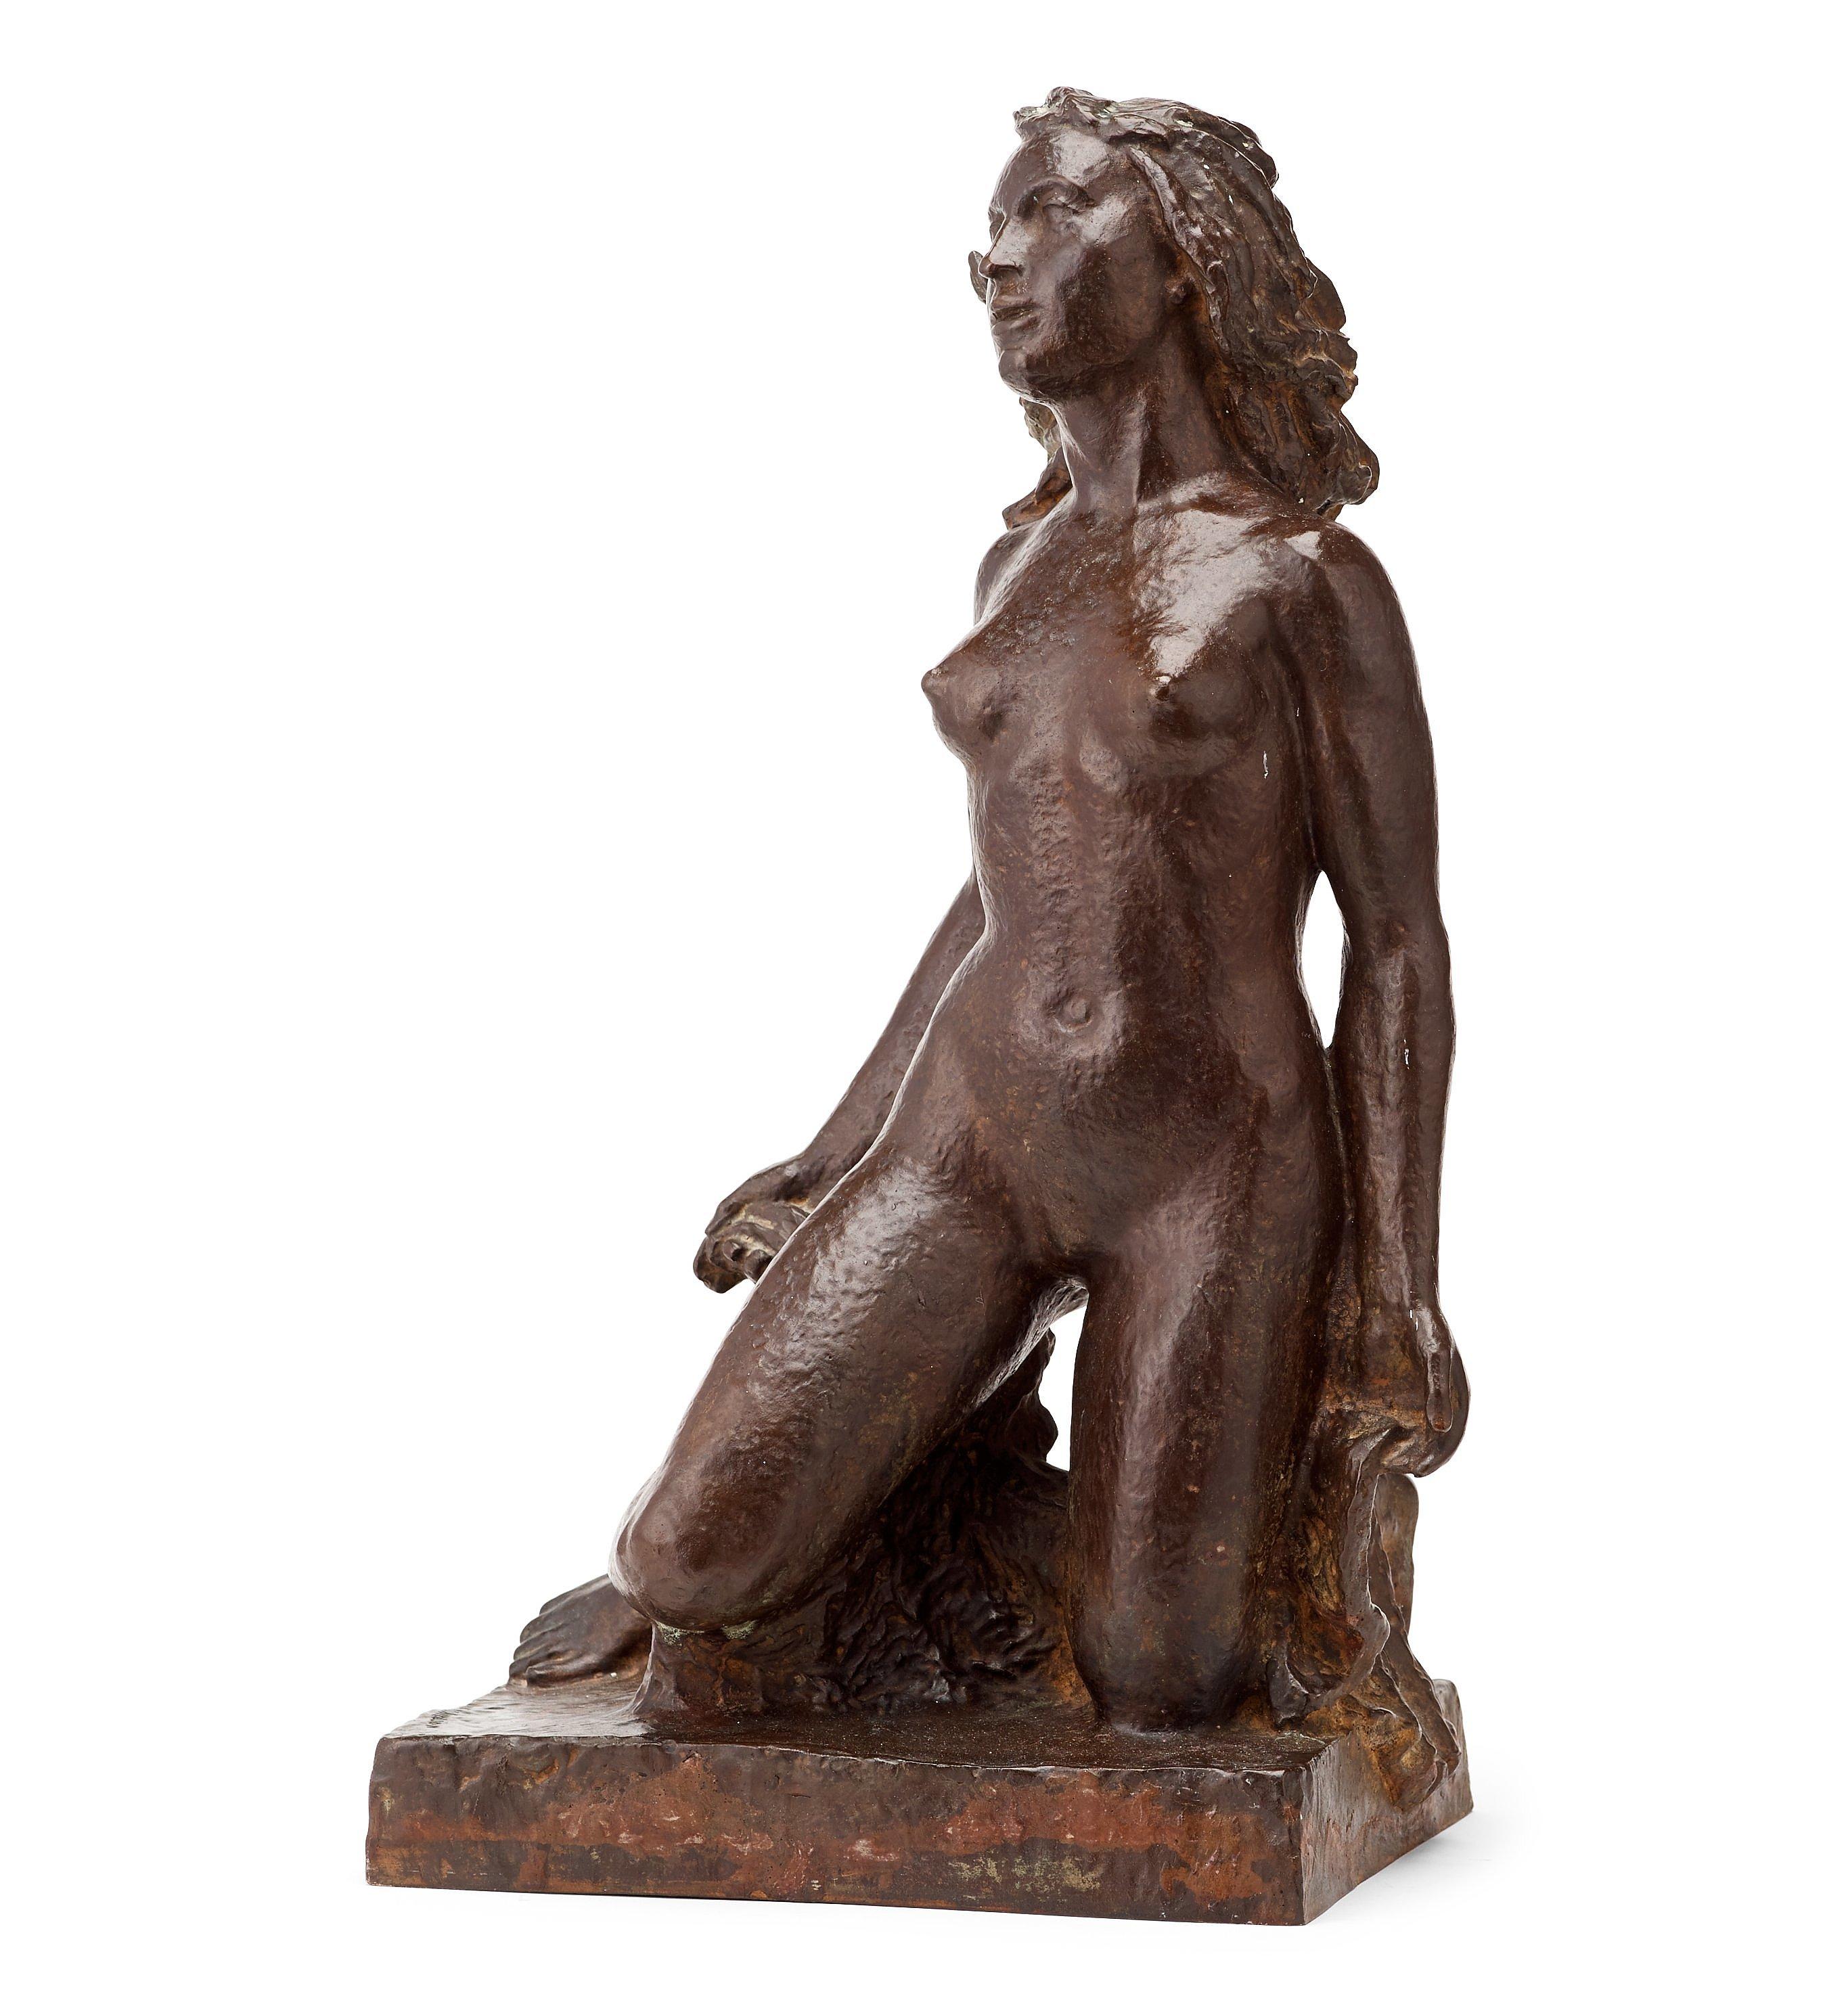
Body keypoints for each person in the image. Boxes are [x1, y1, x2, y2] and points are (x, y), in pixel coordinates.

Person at [514, 89, 1465, 1735]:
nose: (998, 258)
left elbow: (1395, 948)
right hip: (974, 1130)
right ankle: (878, 1526)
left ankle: (996, 1537)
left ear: (1186, 261)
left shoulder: (1302, 576)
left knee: (1164, 1674)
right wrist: (830, 1152)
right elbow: (996, 893)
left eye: (1053, 213)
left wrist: (1398, 1282)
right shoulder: (1017, 571)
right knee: (682, 1556)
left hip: (1209, 1165)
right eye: (995, 225)